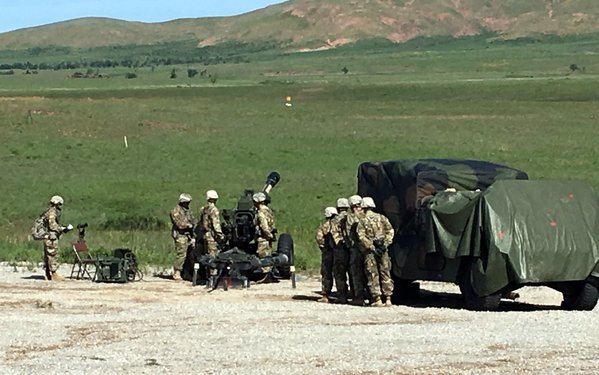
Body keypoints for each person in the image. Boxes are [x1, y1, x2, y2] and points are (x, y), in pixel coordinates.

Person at [356, 197, 395, 307]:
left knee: (373, 274)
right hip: (383, 249)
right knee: (385, 272)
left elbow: (361, 236)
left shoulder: (362, 220)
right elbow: (390, 231)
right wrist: (385, 244)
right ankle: (388, 298)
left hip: (370, 251)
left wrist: (371, 247)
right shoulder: (382, 217)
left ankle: (377, 299)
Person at [42, 195, 72, 281]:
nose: (60, 206)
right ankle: (53, 274)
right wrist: (61, 229)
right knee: (52, 255)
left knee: (48, 255)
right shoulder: (52, 213)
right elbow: (52, 226)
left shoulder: (49, 212)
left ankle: (48, 274)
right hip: (51, 237)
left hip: (48, 236)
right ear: (57, 203)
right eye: (60, 204)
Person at [345, 195, 367, 306]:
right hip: (369, 249)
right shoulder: (368, 215)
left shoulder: (351, 217)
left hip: (356, 249)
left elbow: (349, 234)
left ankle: (358, 297)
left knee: (356, 272)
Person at [170, 193, 195, 281]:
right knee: (181, 254)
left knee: (190, 254)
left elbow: (192, 219)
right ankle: (177, 272)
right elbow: (179, 224)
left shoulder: (187, 210)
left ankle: (186, 273)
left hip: (188, 235)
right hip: (180, 235)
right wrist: (189, 225)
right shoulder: (176, 211)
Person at [315, 206, 338, 303]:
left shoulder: (323, 227)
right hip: (339, 253)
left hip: (327, 253)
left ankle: (326, 295)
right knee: (339, 273)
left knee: (326, 273)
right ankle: (342, 294)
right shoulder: (340, 225)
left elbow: (319, 239)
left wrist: (325, 248)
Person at [332, 198, 351, 304]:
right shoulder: (351, 217)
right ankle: (357, 295)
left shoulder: (335, 220)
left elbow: (334, 234)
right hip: (352, 249)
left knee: (340, 273)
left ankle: (342, 295)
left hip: (340, 250)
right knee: (354, 273)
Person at [253, 192, 276, 280]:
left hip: (263, 237)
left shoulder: (261, 212)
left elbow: (264, 225)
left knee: (263, 255)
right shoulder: (267, 210)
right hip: (268, 236)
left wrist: (268, 234)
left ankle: (266, 276)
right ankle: (268, 275)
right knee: (267, 253)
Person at [200, 190, 225, 257]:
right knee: (213, 256)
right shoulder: (214, 210)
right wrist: (221, 235)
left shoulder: (204, 209)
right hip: (212, 236)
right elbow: (216, 225)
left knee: (207, 254)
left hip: (205, 235)